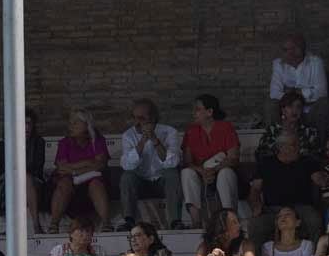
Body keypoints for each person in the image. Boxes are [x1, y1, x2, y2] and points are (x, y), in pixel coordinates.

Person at [119, 99, 182, 227]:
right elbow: (127, 165)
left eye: (142, 118)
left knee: (172, 174)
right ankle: (129, 221)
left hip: (162, 181)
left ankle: (175, 221)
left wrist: (154, 139)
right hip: (140, 182)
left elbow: (172, 162)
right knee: (127, 177)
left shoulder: (169, 132)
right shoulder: (128, 135)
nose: (137, 122)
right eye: (134, 117)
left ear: (153, 117)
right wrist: (143, 140)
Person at [181, 95, 239, 227]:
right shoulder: (191, 131)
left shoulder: (225, 127)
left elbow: (233, 158)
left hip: (221, 170)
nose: (194, 113)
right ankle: (196, 221)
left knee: (225, 173)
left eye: (198, 109)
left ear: (209, 112)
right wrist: (202, 171)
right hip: (201, 174)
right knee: (186, 173)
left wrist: (213, 171)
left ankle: (229, 219)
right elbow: (188, 162)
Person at [49, 108, 110, 232]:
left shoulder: (97, 140)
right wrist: (87, 163)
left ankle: (106, 223)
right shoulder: (64, 142)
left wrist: (74, 169)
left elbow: (100, 165)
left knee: (96, 184)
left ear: (87, 124)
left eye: (75, 123)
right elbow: (61, 168)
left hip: (92, 179)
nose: (71, 126)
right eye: (70, 123)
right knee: (63, 183)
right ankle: (54, 224)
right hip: (69, 180)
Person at [268, 33, 329, 137]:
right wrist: (304, 94)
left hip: (309, 112)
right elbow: (274, 94)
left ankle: (320, 148)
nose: (284, 53)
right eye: (283, 50)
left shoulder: (315, 62)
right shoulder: (278, 64)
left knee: (325, 104)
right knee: (270, 104)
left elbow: (321, 92)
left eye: (286, 50)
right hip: (287, 113)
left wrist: (293, 93)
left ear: (299, 50)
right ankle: (275, 144)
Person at [0, 108, 46, 231]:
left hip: (34, 181)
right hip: (9, 181)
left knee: (25, 177)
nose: (27, 127)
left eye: (29, 124)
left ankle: (35, 225)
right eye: (23, 124)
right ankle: (21, 227)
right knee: (16, 179)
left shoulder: (39, 143)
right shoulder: (3, 145)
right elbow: (6, 166)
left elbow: (36, 167)